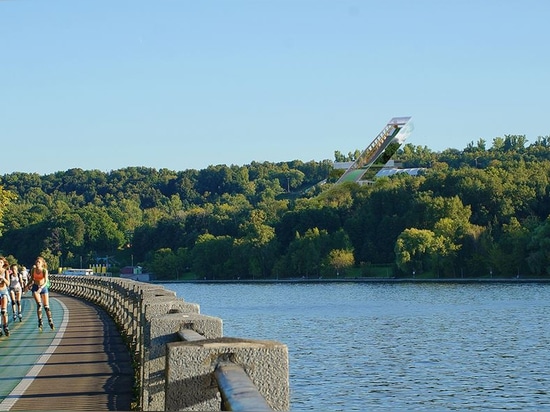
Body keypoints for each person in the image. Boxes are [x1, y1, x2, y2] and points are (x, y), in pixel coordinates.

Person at [30, 256, 54, 331]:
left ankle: (50, 319)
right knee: (39, 305)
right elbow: (31, 279)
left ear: (42, 264)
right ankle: (40, 320)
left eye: (39, 262)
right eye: (36, 262)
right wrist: (27, 285)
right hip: (35, 287)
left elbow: (46, 281)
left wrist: (41, 288)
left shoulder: (44, 271)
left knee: (46, 307)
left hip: (43, 287)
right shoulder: (33, 270)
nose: (37, 263)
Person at [0, 257, 11, 336]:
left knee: (4, 311)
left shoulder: (5, 272)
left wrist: (3, 278)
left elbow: (8, 284)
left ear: (3, 263)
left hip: (4, 291)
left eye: (0, 262)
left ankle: (5, 326)